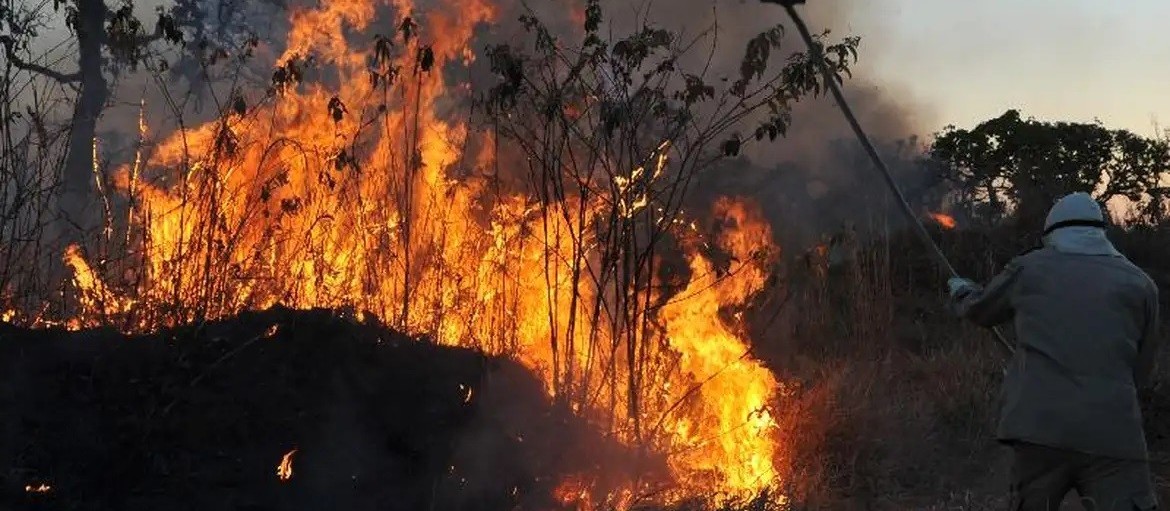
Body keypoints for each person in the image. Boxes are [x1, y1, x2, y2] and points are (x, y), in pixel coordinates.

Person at [948, 192, 1162, 511]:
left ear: (1051, 233)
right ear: (1102, 231)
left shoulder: (1028, 269)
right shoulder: (1141, 284)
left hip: (1038, 430)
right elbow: (1142, 371)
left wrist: (961, 292)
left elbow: (981, 311)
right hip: (1114, 435)